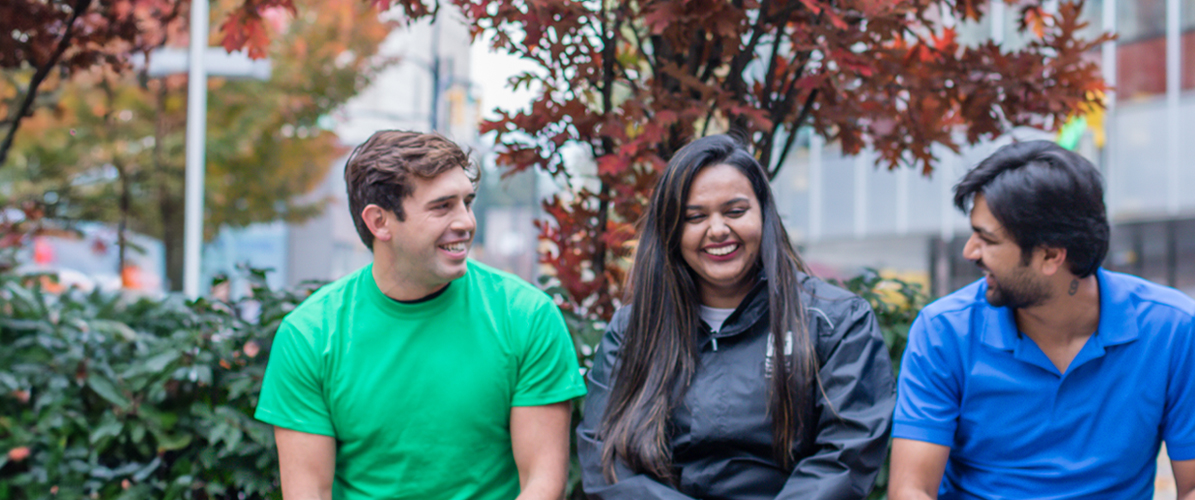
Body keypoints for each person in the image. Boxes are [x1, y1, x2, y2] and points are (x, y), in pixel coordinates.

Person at [255, 131, 587, 500]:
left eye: (467, 202)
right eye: (442, 206)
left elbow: (543, 483)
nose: (466, 222)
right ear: (379, 222)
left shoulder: (527, 316)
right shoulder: (311, 335)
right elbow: (308, 493)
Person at [576, 134, 895, 499]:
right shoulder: (634, 329)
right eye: (695, 217)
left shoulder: (836, 321)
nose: (717, 230)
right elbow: (605, 453)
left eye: (735, 211)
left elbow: (846, 454)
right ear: (671, 231)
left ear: (764, 214)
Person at [888, 140, 1195, 500]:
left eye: (988, 240)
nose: (969, 251)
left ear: (1051, 255)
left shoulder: (1173, 328)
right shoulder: (943, 331)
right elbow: (911, 491)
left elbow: (1194, 484)